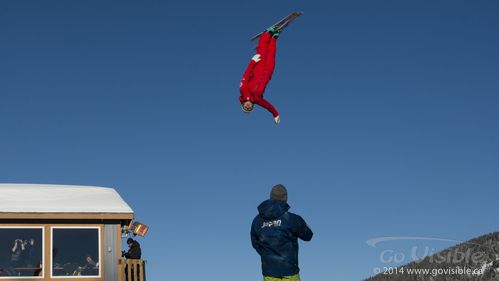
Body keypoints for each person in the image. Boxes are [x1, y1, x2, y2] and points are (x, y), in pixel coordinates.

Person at [251, 184, 313, 281]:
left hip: (269, 273)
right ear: (285, 199)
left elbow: (255, 243)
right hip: (290, 272)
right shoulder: (292, 219)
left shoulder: (257, 221)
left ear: (270, 197)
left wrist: (268, 255)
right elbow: (308, 235)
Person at [239, 27, 281, 124]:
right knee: (271, 53)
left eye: (246, 107)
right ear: (252, 106)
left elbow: (245, 75)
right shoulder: (258, 100)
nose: (248, 106)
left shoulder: (243, 90)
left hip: (258, 67)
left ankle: (266, 34)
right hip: (268, 72)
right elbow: (268, 106)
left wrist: (253, 62)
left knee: (262, 51)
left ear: (243, 104)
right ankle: (274, 37)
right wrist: (276, 114)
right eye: (249, 108)